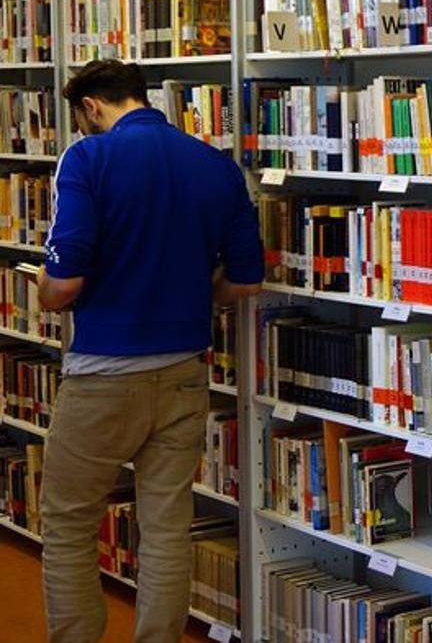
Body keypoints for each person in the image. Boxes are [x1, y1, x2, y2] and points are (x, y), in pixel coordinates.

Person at [37, 60, 263, 642]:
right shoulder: (216, 167)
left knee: (67, 524)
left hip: (103, 378)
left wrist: (44, 289)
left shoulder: (87, 159)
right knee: (166, 527)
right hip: (185, 375)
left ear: (92, 107)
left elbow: (62, 287)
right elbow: (243, 281)